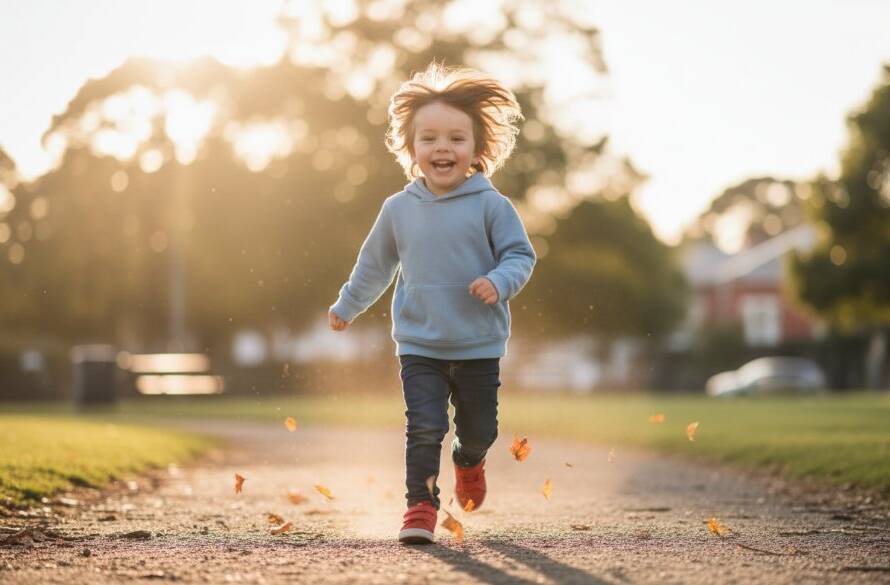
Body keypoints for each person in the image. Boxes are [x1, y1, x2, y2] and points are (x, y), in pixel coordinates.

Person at [328, 62, 536, 544]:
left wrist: (499, 281)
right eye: (430, 138)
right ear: (411, 148)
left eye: (456, 139)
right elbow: (374, 265)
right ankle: (419, 507)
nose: (443, 147)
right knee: (424, 427)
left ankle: (470, 459)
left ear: (478, 149)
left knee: (480, 429)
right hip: (419, 342)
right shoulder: (397, 209)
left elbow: (520, 254)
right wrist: (347, 305)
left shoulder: (491, 205)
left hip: (479, 343)